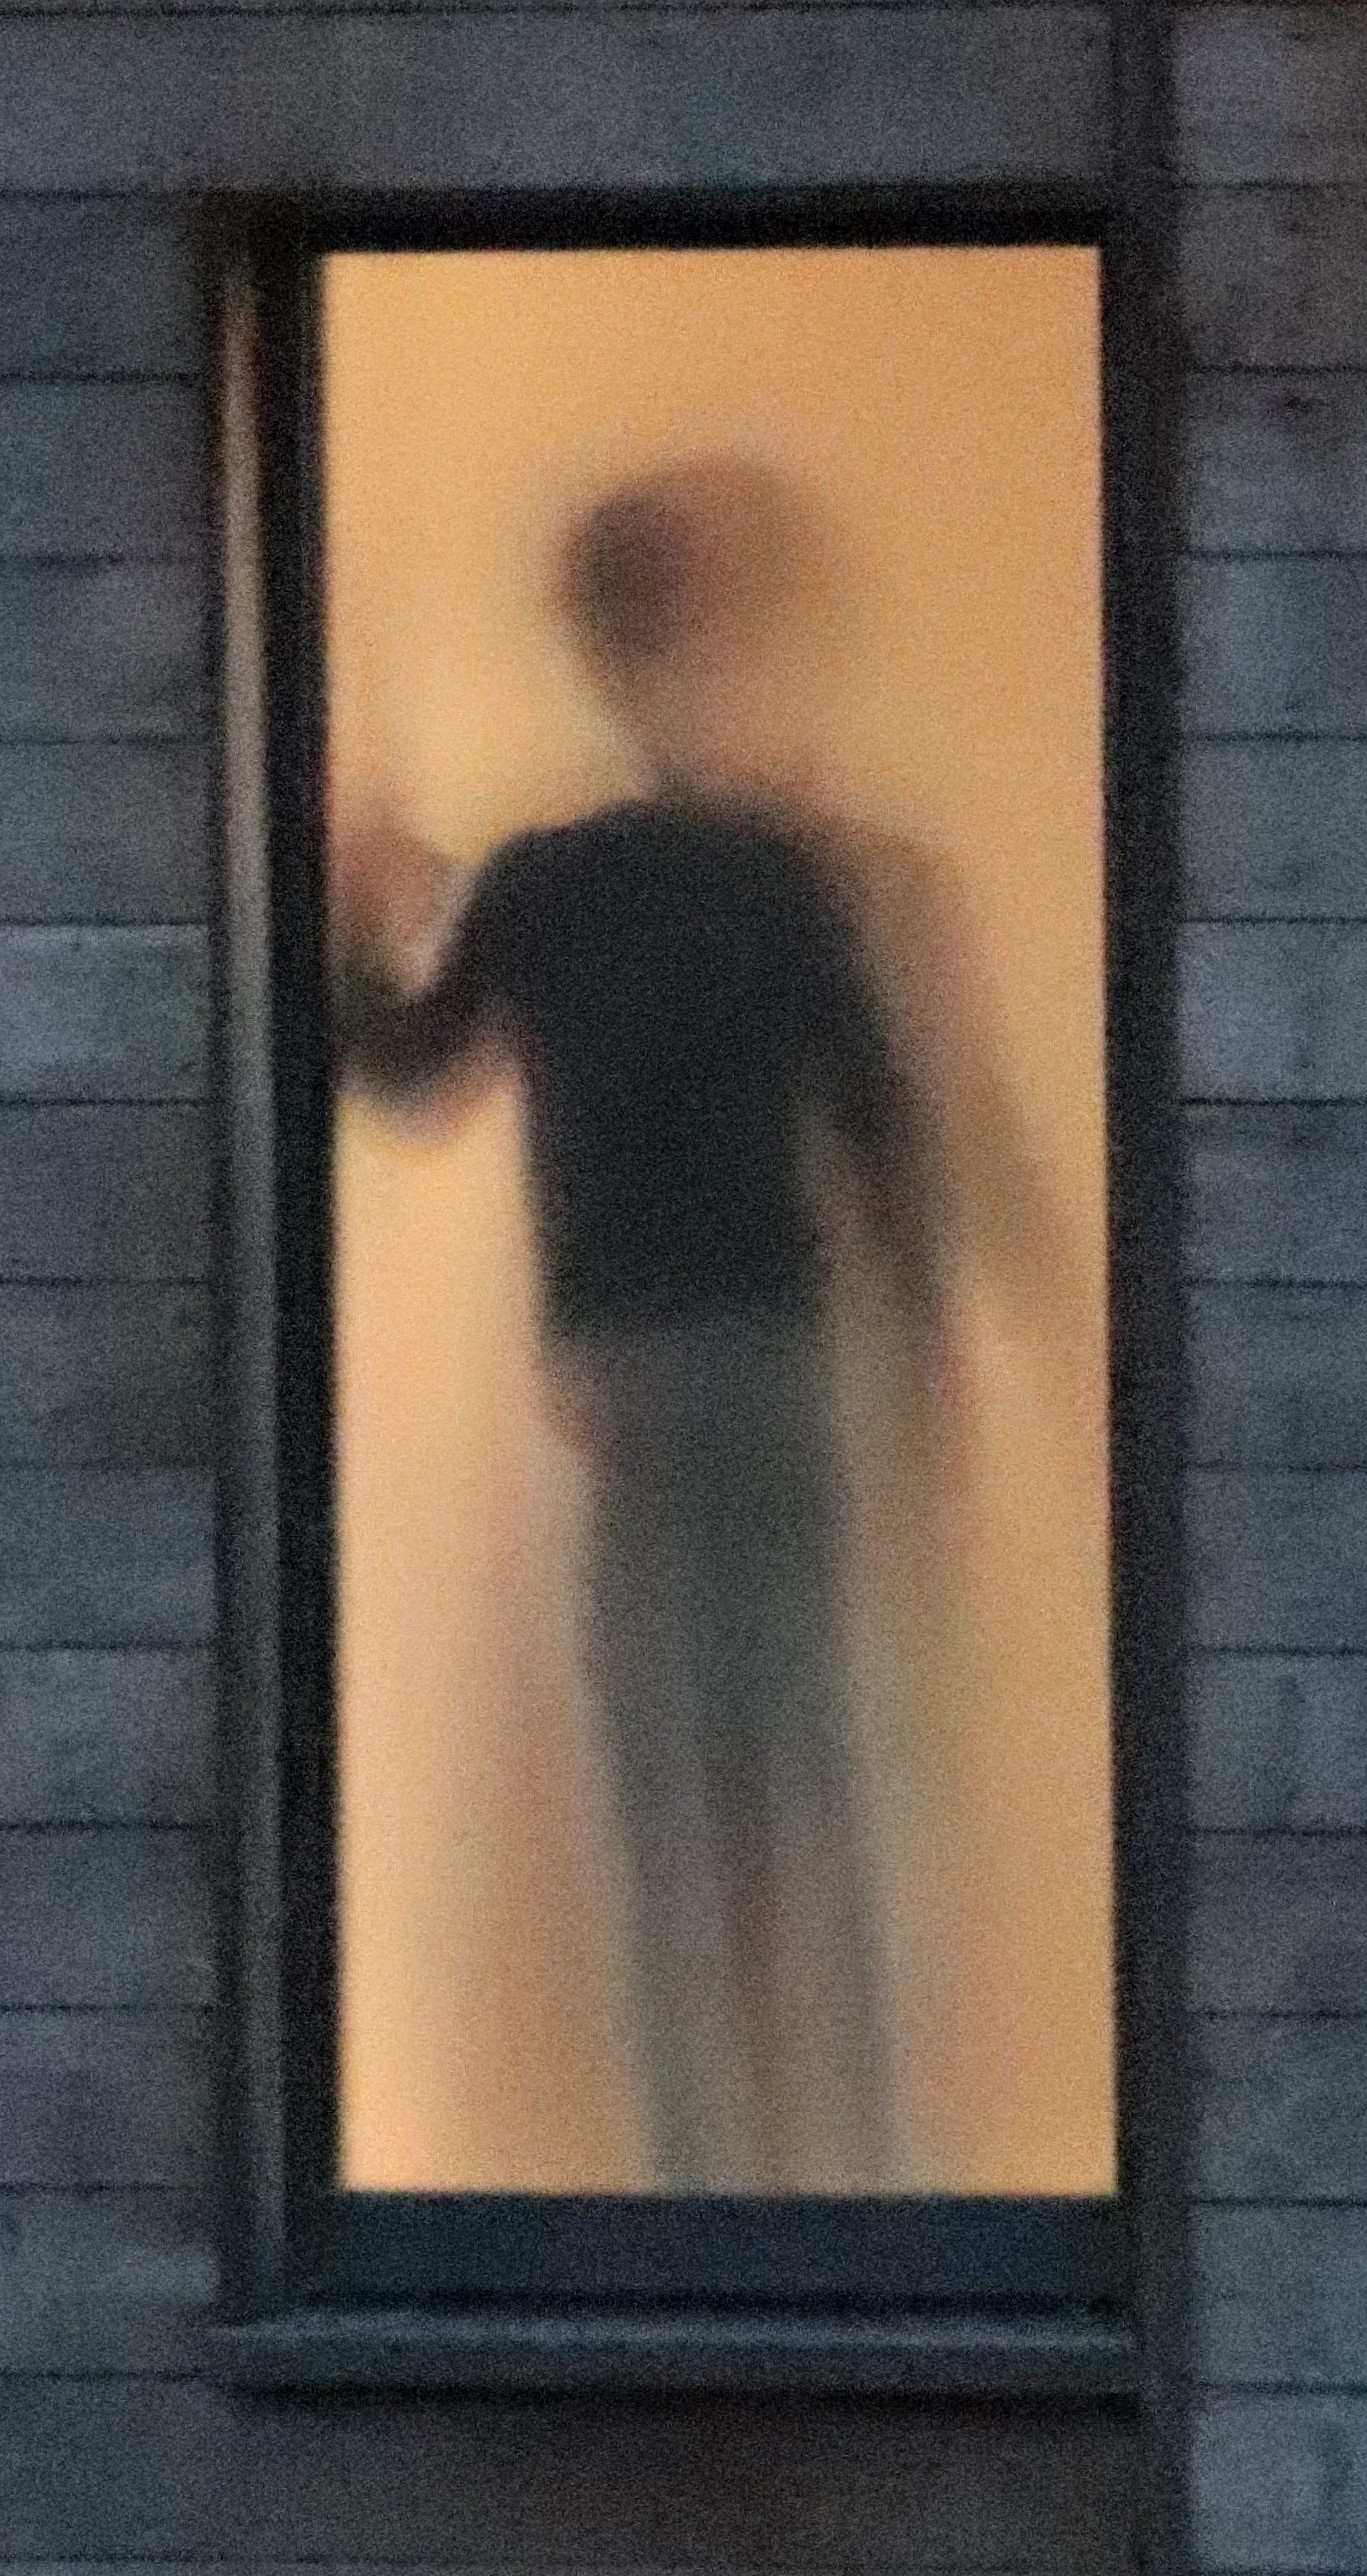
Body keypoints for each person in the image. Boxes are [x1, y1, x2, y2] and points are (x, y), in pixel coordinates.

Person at [331, 457, 1046, 2193]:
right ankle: (869, 2185)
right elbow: (882, 1137)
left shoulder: (545, 881)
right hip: (770, 1363)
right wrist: (932, 1380)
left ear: (598, 652)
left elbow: (407, 1069)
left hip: (634, 1372)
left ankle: (710, 2191)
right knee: (815, 1781)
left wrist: (348, 914)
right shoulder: (776, 875)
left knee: (672, 1796)